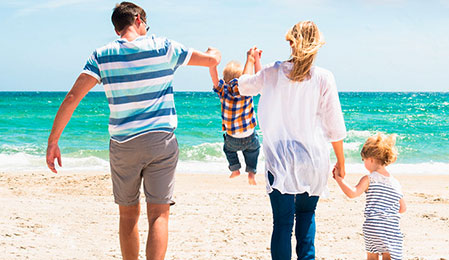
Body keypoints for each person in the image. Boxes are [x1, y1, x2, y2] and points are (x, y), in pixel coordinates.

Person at [45, 2, 221, 260]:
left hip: (123, 144)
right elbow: (211, 61)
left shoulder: (101, 56)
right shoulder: (164, 47)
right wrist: (213, 53)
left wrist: (53, 141)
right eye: (146, 25)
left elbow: (73, 97)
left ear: (118, 29)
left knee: (128, 215)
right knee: (159, 214)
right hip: (161, 142)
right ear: (138, 19)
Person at [238, 21, 347, 260]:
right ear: (317, 46)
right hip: (313, 158)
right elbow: (334, 126)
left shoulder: (272, 71)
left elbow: (244, 87)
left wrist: (249, 59)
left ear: (290, 42)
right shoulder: (324, 78)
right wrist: (341, 161)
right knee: (307, 216)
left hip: (280, 160)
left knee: (283, 224)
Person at [333, 134, 406, 260]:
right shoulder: (396, 183)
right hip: (391, 228)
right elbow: (403, 208)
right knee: (389, 256)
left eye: (364, 160)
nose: (364, 163)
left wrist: (338, 179)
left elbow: (352, 193)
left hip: (372, 227)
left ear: (371, 159)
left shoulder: (369, 179)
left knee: (372, 256)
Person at [208, 50, 262, 185]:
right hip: (249, 135)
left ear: (225, 78)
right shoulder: (246, 90)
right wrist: (252, 59)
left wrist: (212, 63)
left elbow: (214, 77)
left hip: (232, 137)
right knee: (254, 151)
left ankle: (235, 169)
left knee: (228, 150)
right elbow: (251, 77)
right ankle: (251, 172)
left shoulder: (222, 91)